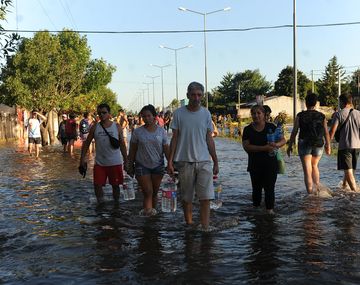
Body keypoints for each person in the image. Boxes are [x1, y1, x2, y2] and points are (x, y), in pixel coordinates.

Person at [167, 82, 219, 229]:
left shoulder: (206, 113)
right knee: (187, 197)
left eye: (199, 95)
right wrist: (170, 161)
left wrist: (215, 161)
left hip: (204, 161)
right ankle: (189, 224)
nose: (196, 98)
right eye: (193, 94)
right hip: (184, 161)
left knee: (206, 197)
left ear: (202, 96)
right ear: (188, 95)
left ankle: (205, 226)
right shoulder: (178, 113)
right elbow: (175, 138)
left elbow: (209, 138)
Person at [79, 103, 128, 203]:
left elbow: (122, 144)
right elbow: (86, 143)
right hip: (100, 163)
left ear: (109, 114)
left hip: (115, 163)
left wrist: (126, 161)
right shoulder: (94, 127)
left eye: (104, 112)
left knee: (116, 186)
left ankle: (116, 205)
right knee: (97, 185)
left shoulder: (117, 127)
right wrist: (82, 159)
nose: (101, 115)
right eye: (99, 113)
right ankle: (100, 205)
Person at [242, 105, 286, 214]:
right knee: (256, 189)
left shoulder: (271, 127)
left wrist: (275, 145)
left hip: (270, 163)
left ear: (263, 114)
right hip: (255, 164)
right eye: (253, 113)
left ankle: (270, 211)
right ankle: (256, 210)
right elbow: (246, 146)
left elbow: (283, 140)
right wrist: (264, 148)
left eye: (258, 113)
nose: (256, 115)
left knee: (269, 188)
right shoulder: (248, 129)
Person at [128, 104, 170, 216]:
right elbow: (132, 150)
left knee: (155, 193)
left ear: (154, 116)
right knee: (148, 192)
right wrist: (129, 164)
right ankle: (147, 216)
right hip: (142, 165)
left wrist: (171, 163)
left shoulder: (161, 132)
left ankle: (153, 216)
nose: (146, 118)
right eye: (144, 116)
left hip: (158, 165)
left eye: (148, 116)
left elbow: (166, 149)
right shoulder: (137, 132)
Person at [287, 93, 331, 194]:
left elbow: (294, 131)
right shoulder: (322, 116)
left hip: (304, 143)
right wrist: (328, 145)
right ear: (315, 104)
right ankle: (317, 191)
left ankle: (310, 194)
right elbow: (326, 132)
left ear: (305, 103)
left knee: (307, 170)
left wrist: (290, 146)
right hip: (319, 144)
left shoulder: (300, 115)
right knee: (314, 166)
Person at [329, 93, 360, 191]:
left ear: (342, 102)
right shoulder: (358, 113)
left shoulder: (339, 114)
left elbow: (332, 131)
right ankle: (344, 186)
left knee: (348, 170)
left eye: (339, 102)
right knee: (351, 170)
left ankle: (355, 193)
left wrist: (327, 144)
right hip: (357, 146)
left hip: (345, 146)